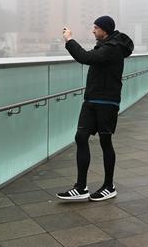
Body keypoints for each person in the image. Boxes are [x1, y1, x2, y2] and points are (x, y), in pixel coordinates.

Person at [57, 15, 134, 201]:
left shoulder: (113, 48)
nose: (93, 31)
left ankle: (109, 186)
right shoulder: (105, 46)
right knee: (80, 137)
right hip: (91, 100)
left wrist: (69, 39)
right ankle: (81, 187)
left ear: (105, 30)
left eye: (96, 28)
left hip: (107, 102)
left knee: (105, 142)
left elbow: (85, 57)